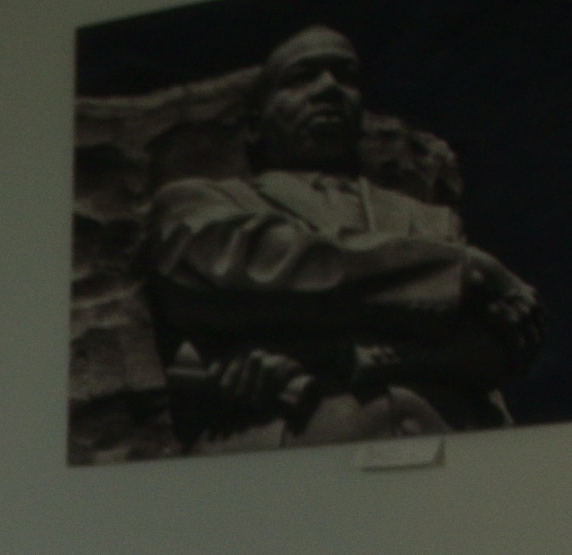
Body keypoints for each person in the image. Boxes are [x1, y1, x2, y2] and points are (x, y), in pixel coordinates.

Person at [145, 24, 544, 449]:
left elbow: (501, 344)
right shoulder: (200, 204)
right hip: (288, 459)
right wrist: (454, 273)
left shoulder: (430, 222)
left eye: (346, 76)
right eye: (301, 77)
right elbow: (249, 271)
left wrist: (328, 354)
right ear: (254, 124)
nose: (329, 88)